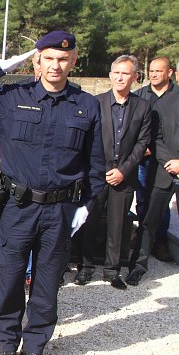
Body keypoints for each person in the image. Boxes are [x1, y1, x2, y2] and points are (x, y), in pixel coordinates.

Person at [0, 31, 105, 355]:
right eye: (48, 58)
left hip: (61, 209)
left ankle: (36, 346)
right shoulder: (12, 96)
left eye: (63, 59)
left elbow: (95, 160)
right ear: (36, 61)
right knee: (9, 279)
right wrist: (2, 67)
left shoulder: (86, 105)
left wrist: (88, 204)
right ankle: (7, 344)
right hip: (19, 206)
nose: (56, 65)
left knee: (48, 281)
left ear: (73, 62)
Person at [71, 55, 151, 289]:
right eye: (116, 72)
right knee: (90, 221)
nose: (120, 77)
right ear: (110, 75)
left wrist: (123, 171)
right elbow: (88, 139)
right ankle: (85, 267)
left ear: (134, 77)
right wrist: (98, 169)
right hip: (97, 174)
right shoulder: (95, 102)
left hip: (124, 176)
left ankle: (111, 270)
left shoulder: (143, 107)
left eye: (125, 73)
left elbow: (142, 143)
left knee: (118, 225)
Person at [130, 55, 179, 294]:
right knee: (148, 220)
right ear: (176, 75)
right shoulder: (163, 104)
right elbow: (154, 137)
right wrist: (172, 162)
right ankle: (138, 265)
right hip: (162, 170)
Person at [133, 56, 177, 264]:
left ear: (169, 73)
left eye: (159, 71)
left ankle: (160, 241)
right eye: (151, 71)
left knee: (161, 203)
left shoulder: (178, 95)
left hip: (166, 158)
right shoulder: (140, 95)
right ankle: (142, 238)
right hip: (143, 158)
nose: (153, 74)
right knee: (142, 199)